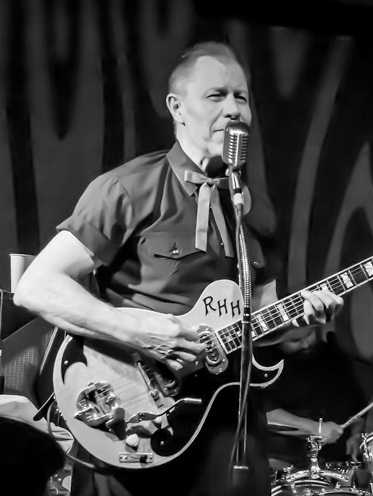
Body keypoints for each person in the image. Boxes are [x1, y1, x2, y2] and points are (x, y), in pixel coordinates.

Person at [13, 41, 343, 496]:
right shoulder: (129, 188)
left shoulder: (255, 209)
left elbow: (262, 326)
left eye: (242, 97)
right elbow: (36, 286)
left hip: (228, 431)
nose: (234, 110)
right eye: (216, 96)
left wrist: (300, 318)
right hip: (130, 418)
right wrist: (139, 332)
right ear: (177, 107)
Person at [255, 324, 368, 469]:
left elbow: (356, 405)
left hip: (335, 461)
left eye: (309, 335)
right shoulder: (264, 365)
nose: (306, 344)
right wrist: (316, 428)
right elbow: (265, 414)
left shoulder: (332, 355)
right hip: (285, 460)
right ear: (276, 341)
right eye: (295, 341)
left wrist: (356, 433)